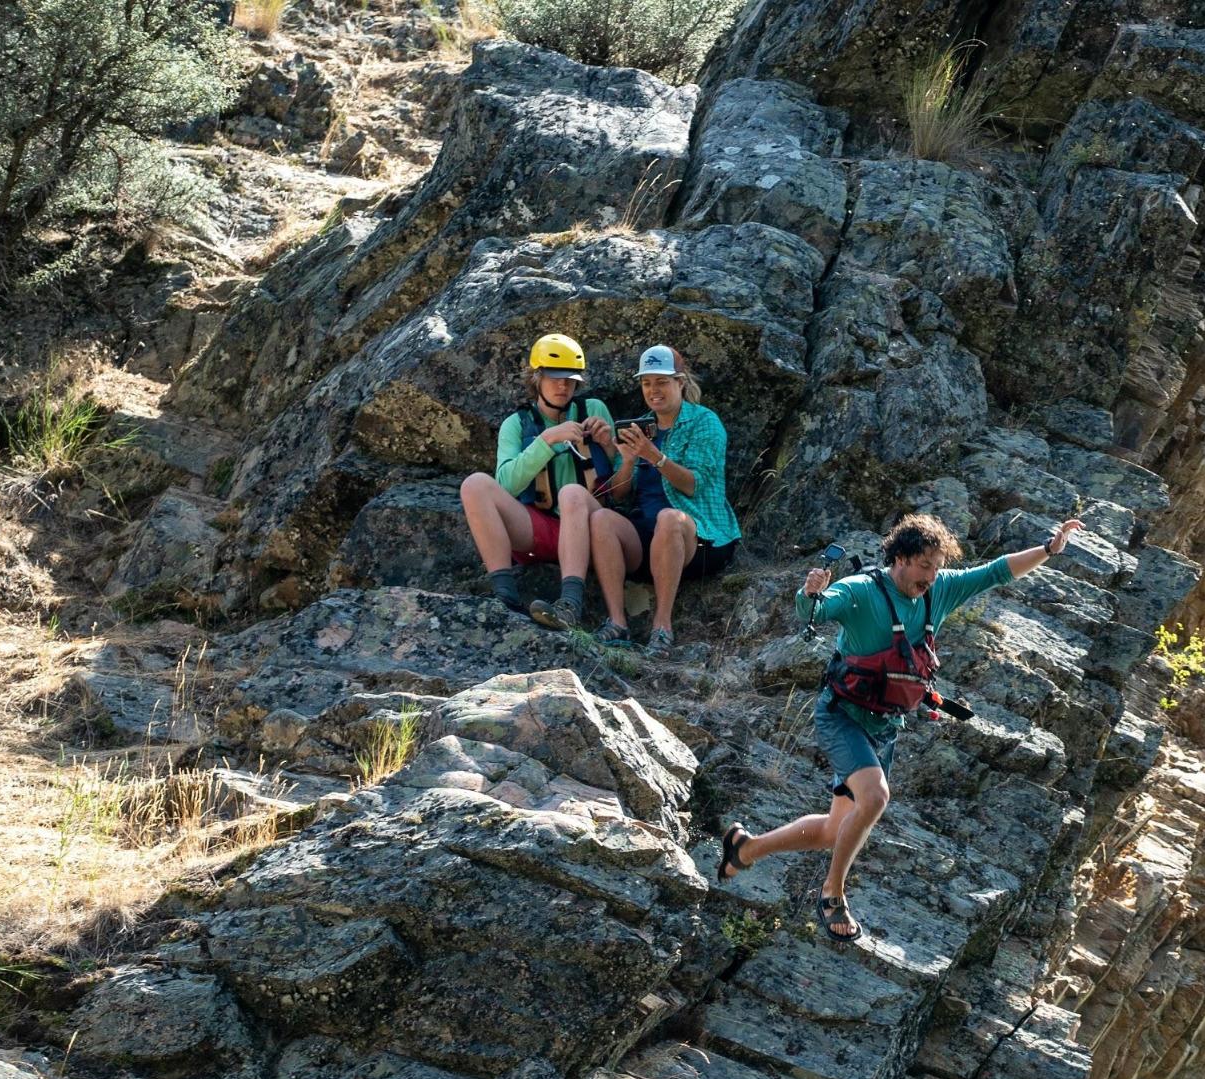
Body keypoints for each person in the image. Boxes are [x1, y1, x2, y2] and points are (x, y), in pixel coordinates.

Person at [713, 513, 1086, 942]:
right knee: (876, 797)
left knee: (835, 831)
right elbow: (817, 608)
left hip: (884, 727)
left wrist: (1048, 550)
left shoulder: (939, 591)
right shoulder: (861, 592)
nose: (931, 575)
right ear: (901, 559)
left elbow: (997, 572)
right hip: (841, 717)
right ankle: (832, 894)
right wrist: (809, 593)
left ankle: (747, 848)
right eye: (924, 565)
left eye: (937, 567)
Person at [458, 333, 618, 629]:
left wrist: (610, 446)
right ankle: (505, 596)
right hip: (540, 529)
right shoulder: (516, 424)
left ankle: (570, 603)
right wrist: (546, 440)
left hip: (589, 529)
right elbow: (505, 484)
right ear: (537, 377)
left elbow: (622, 486)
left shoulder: (593, 410)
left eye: (570, 379)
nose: (563, 385)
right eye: (554, 377)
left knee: (572, 492)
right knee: (475, 485)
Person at [588, 345, 741, 653]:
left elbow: (694, 485)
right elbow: (618, 494)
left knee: (669, 518)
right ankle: (617, 623)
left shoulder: (704, 422)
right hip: (647, 536)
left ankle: (662, 626)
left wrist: (654, 456)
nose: (653, 390)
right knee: (601, 518)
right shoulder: (640, 427)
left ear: (680, 382)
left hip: (701, 537)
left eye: (661, 382)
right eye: (646, 383)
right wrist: (629, 460)